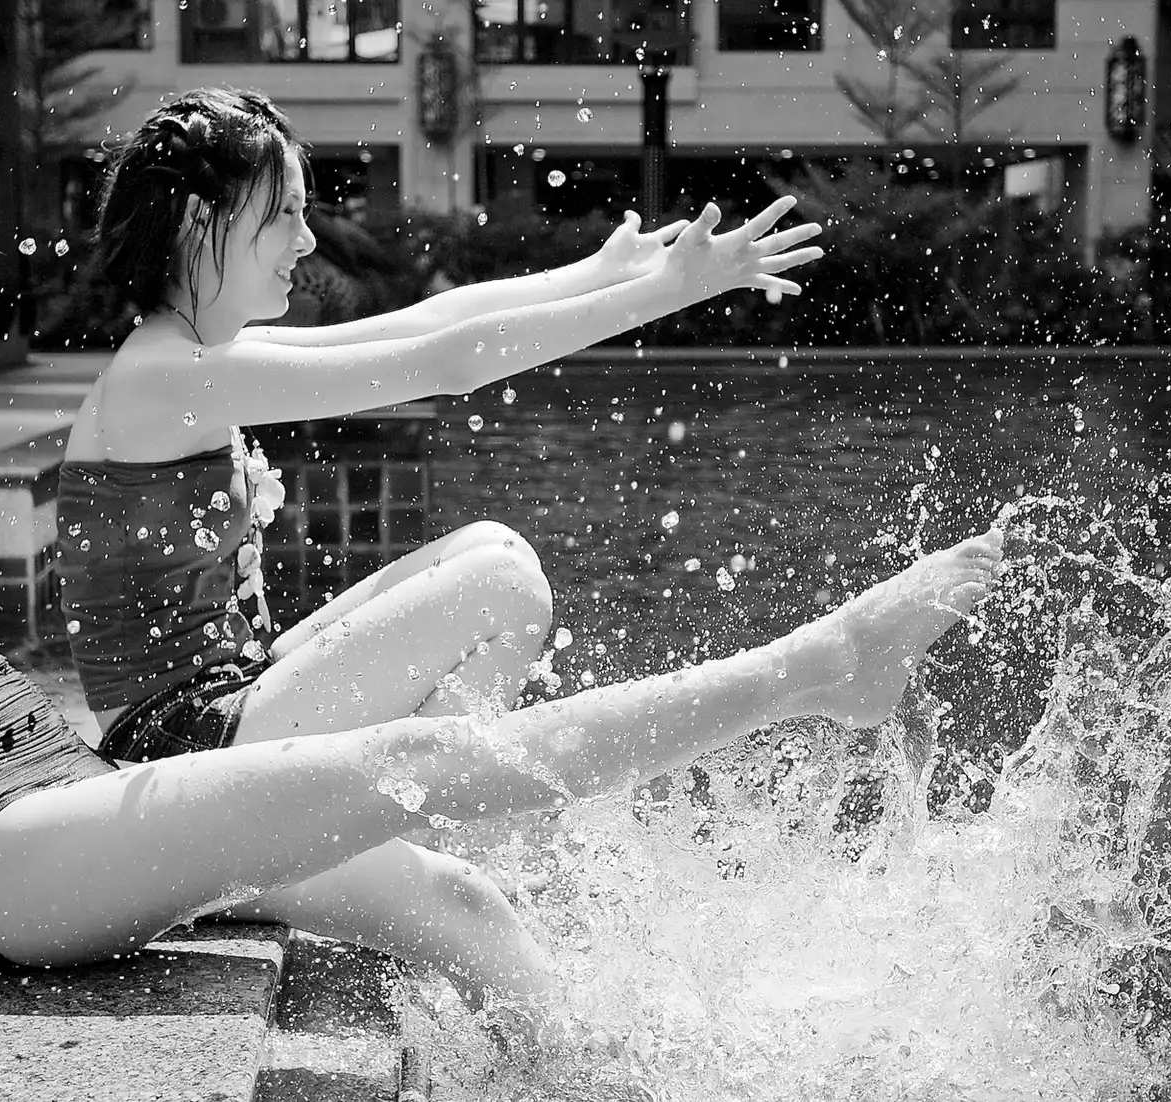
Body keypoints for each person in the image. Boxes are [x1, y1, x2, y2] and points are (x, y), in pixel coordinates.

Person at [0, 35, 1002, 1060]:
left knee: (459, 899)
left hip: (76, 789)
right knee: (427, 766)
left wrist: (629, 273)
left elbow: (420, 340)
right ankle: (822, 667)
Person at [56, 87, 1001, 1006]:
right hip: (184, 758)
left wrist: (595, 274)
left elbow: (429, 323)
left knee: (473, 888)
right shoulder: (159, 378)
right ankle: (457, 802)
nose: (305, 244)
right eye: (284, 218)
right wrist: (665, 295)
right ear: (196, 224)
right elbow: (448, 361)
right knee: (498, 579)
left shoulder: (183, 361)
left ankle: (482, 882)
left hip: (222, 732)